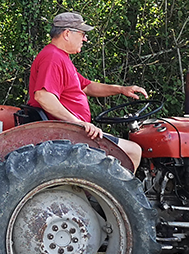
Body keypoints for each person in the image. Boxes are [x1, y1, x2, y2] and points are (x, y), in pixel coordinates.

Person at [27, 11, 148, 171]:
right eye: (82, 33)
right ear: (67, 33)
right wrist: (78, 123)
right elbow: (43, 96)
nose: (85, 39)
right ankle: (107, 195)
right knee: (133, 151)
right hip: (67, 133)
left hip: (71, 130)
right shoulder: (53, 58)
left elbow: (87, 86)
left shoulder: (61, 57)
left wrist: (122, 89)